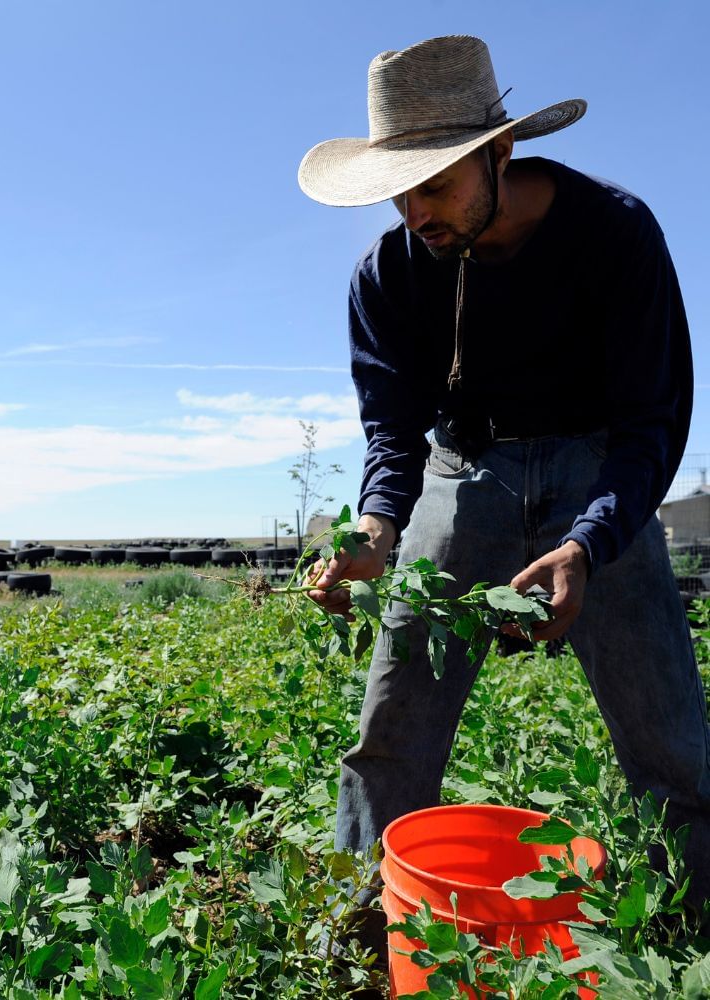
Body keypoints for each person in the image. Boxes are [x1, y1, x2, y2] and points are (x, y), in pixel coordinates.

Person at [296, 33, 709, 949]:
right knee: (394, 718)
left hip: (598, 472)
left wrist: (588, 543)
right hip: (462, 470)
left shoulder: (616, 233)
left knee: (668, 736)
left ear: (500, 152)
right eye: (398, 189)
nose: (415, 211)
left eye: (435, 184)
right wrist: (374, 529)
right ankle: (364, 923)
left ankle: (694, 928)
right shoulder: (389, 272)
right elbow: (393, 433)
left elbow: (651, 422)